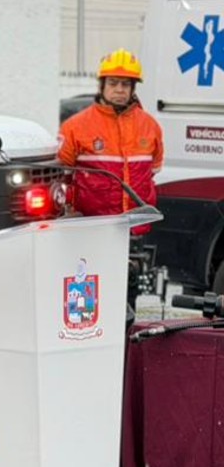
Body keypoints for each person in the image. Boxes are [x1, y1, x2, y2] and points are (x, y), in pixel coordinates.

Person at [58, 48, 162, 310]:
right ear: (102, 85)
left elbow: (153, 169)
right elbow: (62, 174)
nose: (119, 90)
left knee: (126, 298)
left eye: (125, 84)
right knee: (87, 298)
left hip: (132, 229)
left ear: (133, 88)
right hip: (91, 229)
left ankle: (125, 345)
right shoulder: (75, 127)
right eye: (113, 83)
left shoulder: (150, 126)